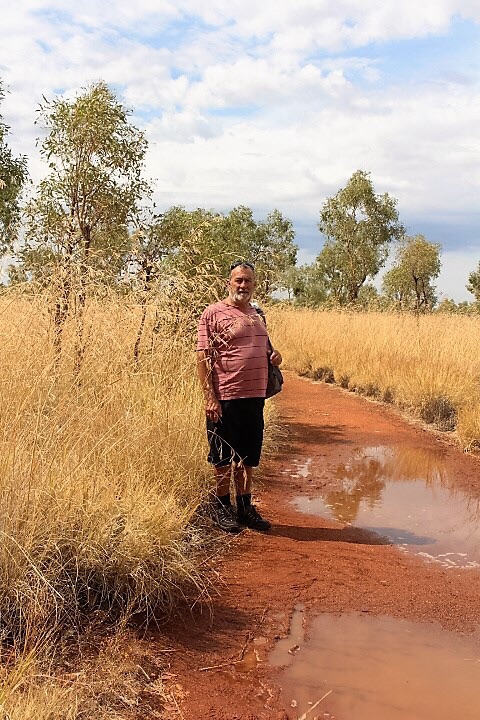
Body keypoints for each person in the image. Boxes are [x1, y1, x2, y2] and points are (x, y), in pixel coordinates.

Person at [196, 261, 283, 533]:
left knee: (248, 456)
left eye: (248, 281)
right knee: (222, 457)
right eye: (239, 280)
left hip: (255, 398)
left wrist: (275, 356)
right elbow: (203, 356)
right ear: (228, 283)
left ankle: (245, 508)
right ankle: (222, 508)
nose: (243, 285)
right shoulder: (212, 314)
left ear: (255, 285)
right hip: (225, 397)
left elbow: (266, 349)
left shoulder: (258, 314)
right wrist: (210, 398)